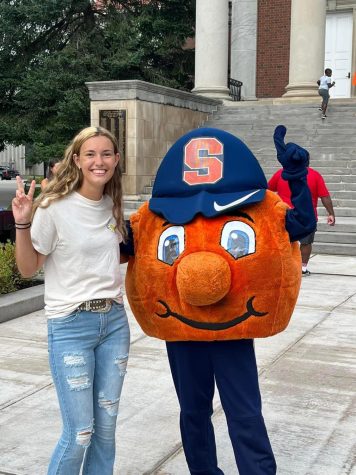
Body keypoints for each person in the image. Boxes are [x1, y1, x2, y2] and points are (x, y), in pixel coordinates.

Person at [12, 126, 130, 475]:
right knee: (80, 432)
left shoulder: (113, 204)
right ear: (76, 160)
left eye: (106, 154)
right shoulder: (53, 208)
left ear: (116, 159)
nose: (99, 161)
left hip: (114, 324)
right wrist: (22, 224)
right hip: (70, 327)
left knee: (105, 432)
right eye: (90, 154)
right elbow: (29, 267)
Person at [268, 160, 335, 276]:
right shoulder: (315, 175)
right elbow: (325, 196)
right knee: (306, 243)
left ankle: (282, 267)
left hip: (284, 214)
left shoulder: (281, 174)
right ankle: (302, 268)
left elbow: (267, 190)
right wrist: (331, 213)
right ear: (307, 161)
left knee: (283, 241)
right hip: (307, 215)